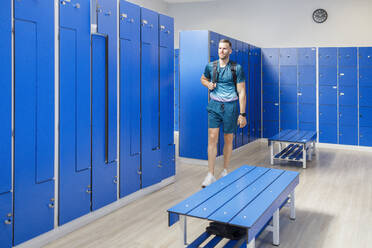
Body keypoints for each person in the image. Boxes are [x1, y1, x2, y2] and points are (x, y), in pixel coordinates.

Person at [200, 39, 247, 187]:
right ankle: (210, 174)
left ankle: (225, 170)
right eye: (220, 48)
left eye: (225, 49)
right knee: (212, 138)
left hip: (230, 107)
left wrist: (242, 114)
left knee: (228, 139)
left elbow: (241, 91)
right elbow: (203, 78)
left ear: (230, 51)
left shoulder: (236, 68)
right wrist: (208, 84)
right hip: (214, 106)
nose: (221, 51)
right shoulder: (211, 66)